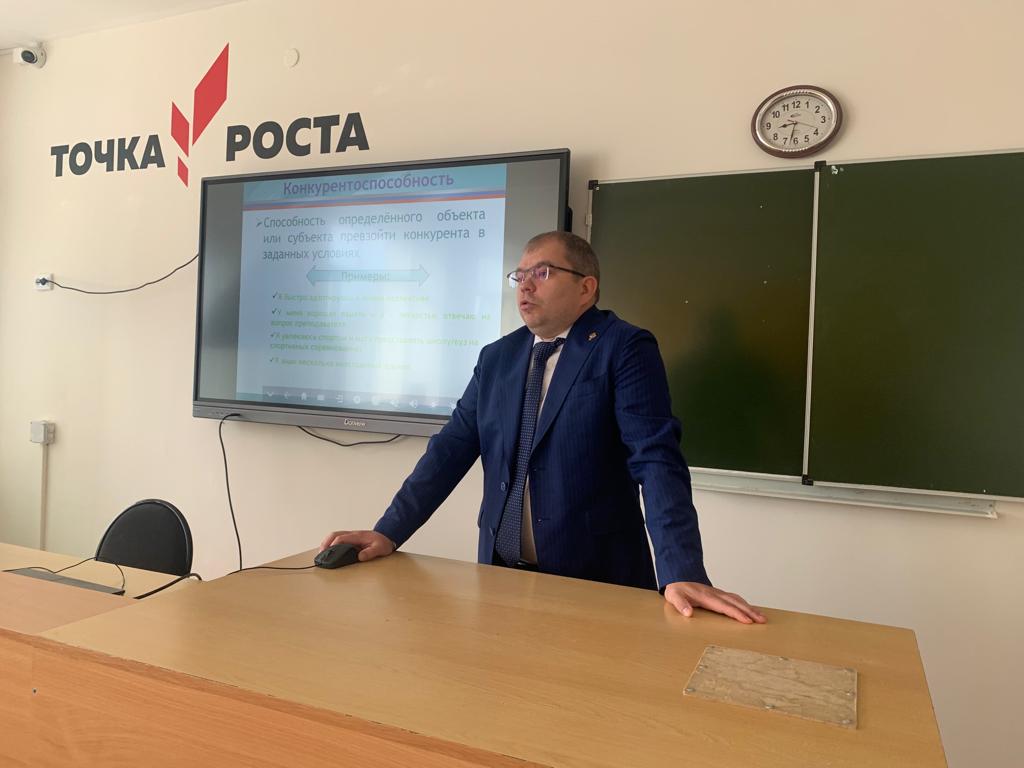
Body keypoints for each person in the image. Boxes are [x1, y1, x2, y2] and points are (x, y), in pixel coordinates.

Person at [321, 231, 765, 624]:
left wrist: (682, 570)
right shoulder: (497, 358)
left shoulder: (623, 347)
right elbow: (450, 449)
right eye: (520, 275)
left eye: (543, 272)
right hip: (500, 578)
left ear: (586, 287)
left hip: (595, 583)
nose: (526, 285)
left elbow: (656, 459)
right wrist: (388, 531)